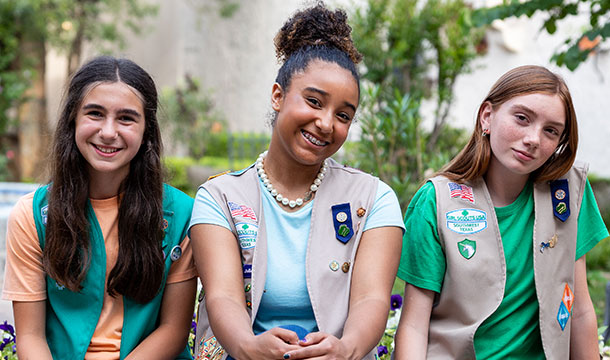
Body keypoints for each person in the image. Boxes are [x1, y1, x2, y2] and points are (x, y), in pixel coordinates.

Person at [189, 3, 404, 360]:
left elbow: (373, 298)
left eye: (343, 115)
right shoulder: (220, 197)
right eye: (314, 101)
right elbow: (222, 296)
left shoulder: (374, 198)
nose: (325, 123)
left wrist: (346, 349)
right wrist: (248, 346)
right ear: (278, 96)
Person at [394, 65, 607, 359]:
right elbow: (414, 326)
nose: (533, 138)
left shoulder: (568, 193)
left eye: (551, 131)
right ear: (487, 116)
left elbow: (580, 310)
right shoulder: (436, 201)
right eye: (522, 118)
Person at [2, 56, 197, 359]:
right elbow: (29, 337)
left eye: (126, 118)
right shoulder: (33, 215)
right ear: (73, 119)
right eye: (95, 113)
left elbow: (173, 329)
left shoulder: (183, 214)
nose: (108, 132)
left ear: (147, 130)